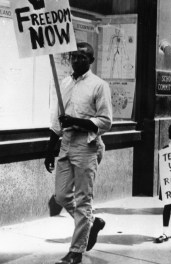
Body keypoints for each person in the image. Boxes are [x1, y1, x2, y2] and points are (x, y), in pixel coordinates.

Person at [44, 42, 113, 264]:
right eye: (74, 56)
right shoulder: (64, 82)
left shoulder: (99, 85)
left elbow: (105, 121)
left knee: (83, 199)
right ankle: (90, 224)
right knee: (62, 195)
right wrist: (50, 147)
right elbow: (57, 118)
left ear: (91, 61)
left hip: (87, 144)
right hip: (66, 143)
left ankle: (76, 252)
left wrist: (77, 121)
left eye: (82, 57)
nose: (77, 60)